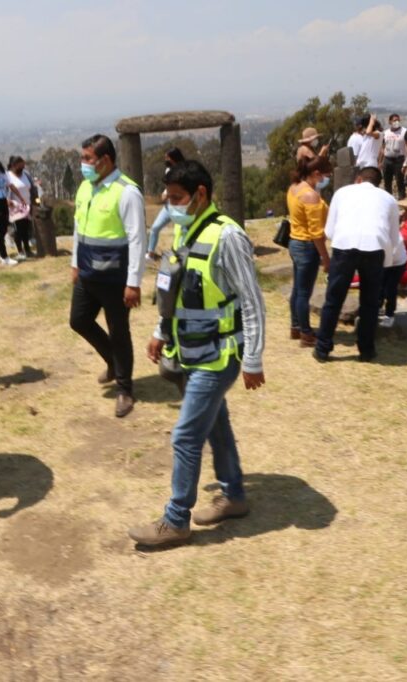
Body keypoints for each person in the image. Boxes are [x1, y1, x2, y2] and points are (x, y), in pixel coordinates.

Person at [127, 160, 266, 547]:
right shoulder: (187, 231)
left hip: (219, 356)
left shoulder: (228, 237)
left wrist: (253, 359)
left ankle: (176, 520)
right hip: (192, 350)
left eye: (177, 198)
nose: (170, 206)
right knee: (216, 425)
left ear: (201, 194)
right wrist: (160, 331)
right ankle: (234, 494)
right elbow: (175, 291)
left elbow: (252, 301)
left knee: (186, 435)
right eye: (167, 198)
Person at [70, 133, 145, 418]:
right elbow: (79, 228)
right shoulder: (85, 188)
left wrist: (133, 283)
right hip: (87, 274)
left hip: (115, 278)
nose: (83, 163)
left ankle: (125, 389)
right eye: (82, 157)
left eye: (87, 158)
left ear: (105, 160)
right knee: (78, 320)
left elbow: (137, 239)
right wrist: (75, 263)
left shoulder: (126, 192)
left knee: (119, 331)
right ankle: (113, 361)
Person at [313, 167, 400, 363]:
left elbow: (329, 231)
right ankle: (366, 350)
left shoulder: (342, 193)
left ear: (358, 179)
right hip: (375, 247)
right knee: (370, 302)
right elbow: (394, 237)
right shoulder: (389, 199)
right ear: (378, 183)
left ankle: (322, 348)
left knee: (333, 299)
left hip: (344, 245)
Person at [286, 156, 332, 346]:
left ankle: (296, 326)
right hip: (307, 246)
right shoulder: (310, 196)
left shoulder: (294, 188)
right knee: (304, 293)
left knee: (297, 289)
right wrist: (326, 258)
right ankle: (306, 334)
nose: (325, 179)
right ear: (316, 173)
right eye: (325, 176)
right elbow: (316, 233)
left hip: (294, 241)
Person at [146, 147, 185, 260]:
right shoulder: (168, 171)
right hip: (169, 207)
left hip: (180, 207)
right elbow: (168, 186)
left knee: (181, 233)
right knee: (155, 228)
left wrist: (169, 194)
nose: (165, 160)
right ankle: (150, 254)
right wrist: (165, 193)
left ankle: (182, 255)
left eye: (167, 158)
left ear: (174, 158)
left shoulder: (185, 171)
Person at [6, 156, 34, 260]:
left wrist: (35, 202)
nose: (22, 167)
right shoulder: (8, 176)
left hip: (27, 207)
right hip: (15, 208)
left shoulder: (26, 174)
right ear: (13, 166)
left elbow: (32, 188)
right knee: (18, 230)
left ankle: (28, 250)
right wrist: (7, 200)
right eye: (20, 166)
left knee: (26, 229)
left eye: (23, 165)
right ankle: (20, 251)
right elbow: (4, 190)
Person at [380, 114, 407, 199]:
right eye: (394, 120)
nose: (396, 122)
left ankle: (402, 199)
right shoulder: (385, 133)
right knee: (387, 182)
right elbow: (383, 147)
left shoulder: (405, 132)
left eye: (398, 120)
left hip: (399, 160)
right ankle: (388, 200)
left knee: (400, 182)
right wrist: (380, 161)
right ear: (390, 122)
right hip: (387, 160)